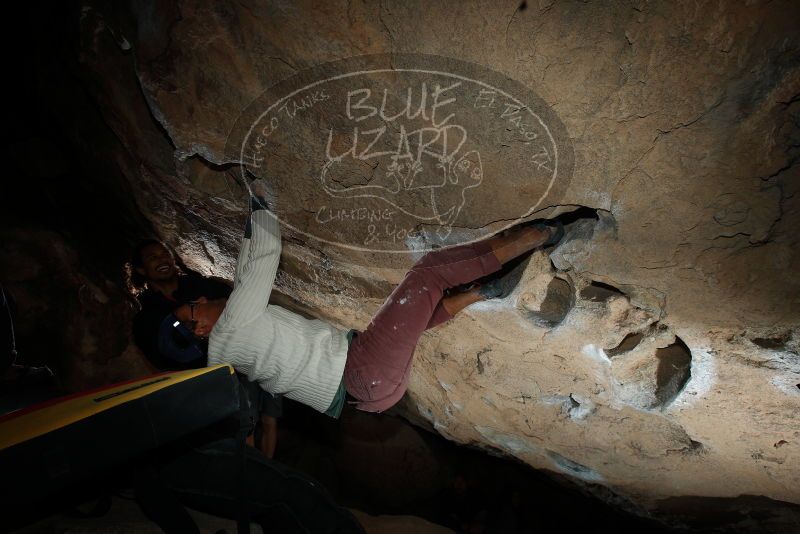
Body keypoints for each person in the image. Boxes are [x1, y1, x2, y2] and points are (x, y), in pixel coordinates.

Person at [174, 192, 563, 418]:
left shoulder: (228, 349)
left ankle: (482, 292)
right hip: (361, 369)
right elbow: (265, 254)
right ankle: (536, 235)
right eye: (194, 309)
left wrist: (247, 229)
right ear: (201, 330)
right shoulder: (229, 327)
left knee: (410, 318)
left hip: (371, 393)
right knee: (427, 274)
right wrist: (261, 205)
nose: (202, 300)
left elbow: (245, 280)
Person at [128, 240, 282, 457]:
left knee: (258, 420)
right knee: (232, 432)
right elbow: (157, 356)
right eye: (152, 258)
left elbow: (232, 300)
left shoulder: (197, 285)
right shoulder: (147, 314)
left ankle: (261, 471)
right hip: (201, 384)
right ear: (141, 269)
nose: (162, 260)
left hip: (237, 363)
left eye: (165, 254)